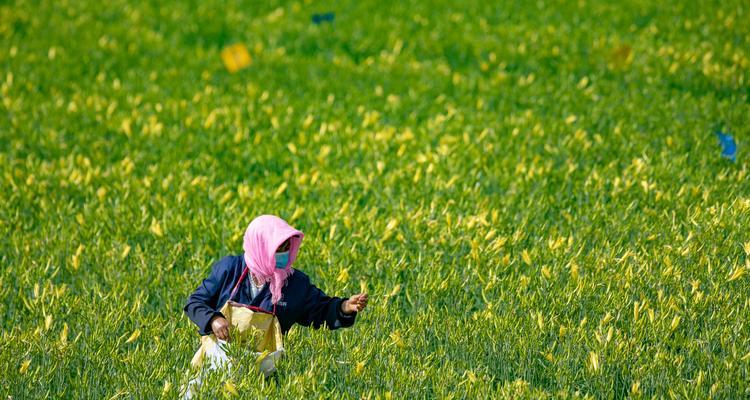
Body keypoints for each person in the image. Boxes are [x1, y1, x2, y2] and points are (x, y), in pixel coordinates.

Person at [182, 214, 368, 397]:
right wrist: (213, 319)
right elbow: (195, 302)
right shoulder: (230, 269)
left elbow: (321, 309)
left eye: (287, 247)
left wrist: (344, 307)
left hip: (260, 376)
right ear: (261, 246)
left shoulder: (294, 284)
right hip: (213, 367)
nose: (284, 255)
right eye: (278, 248)